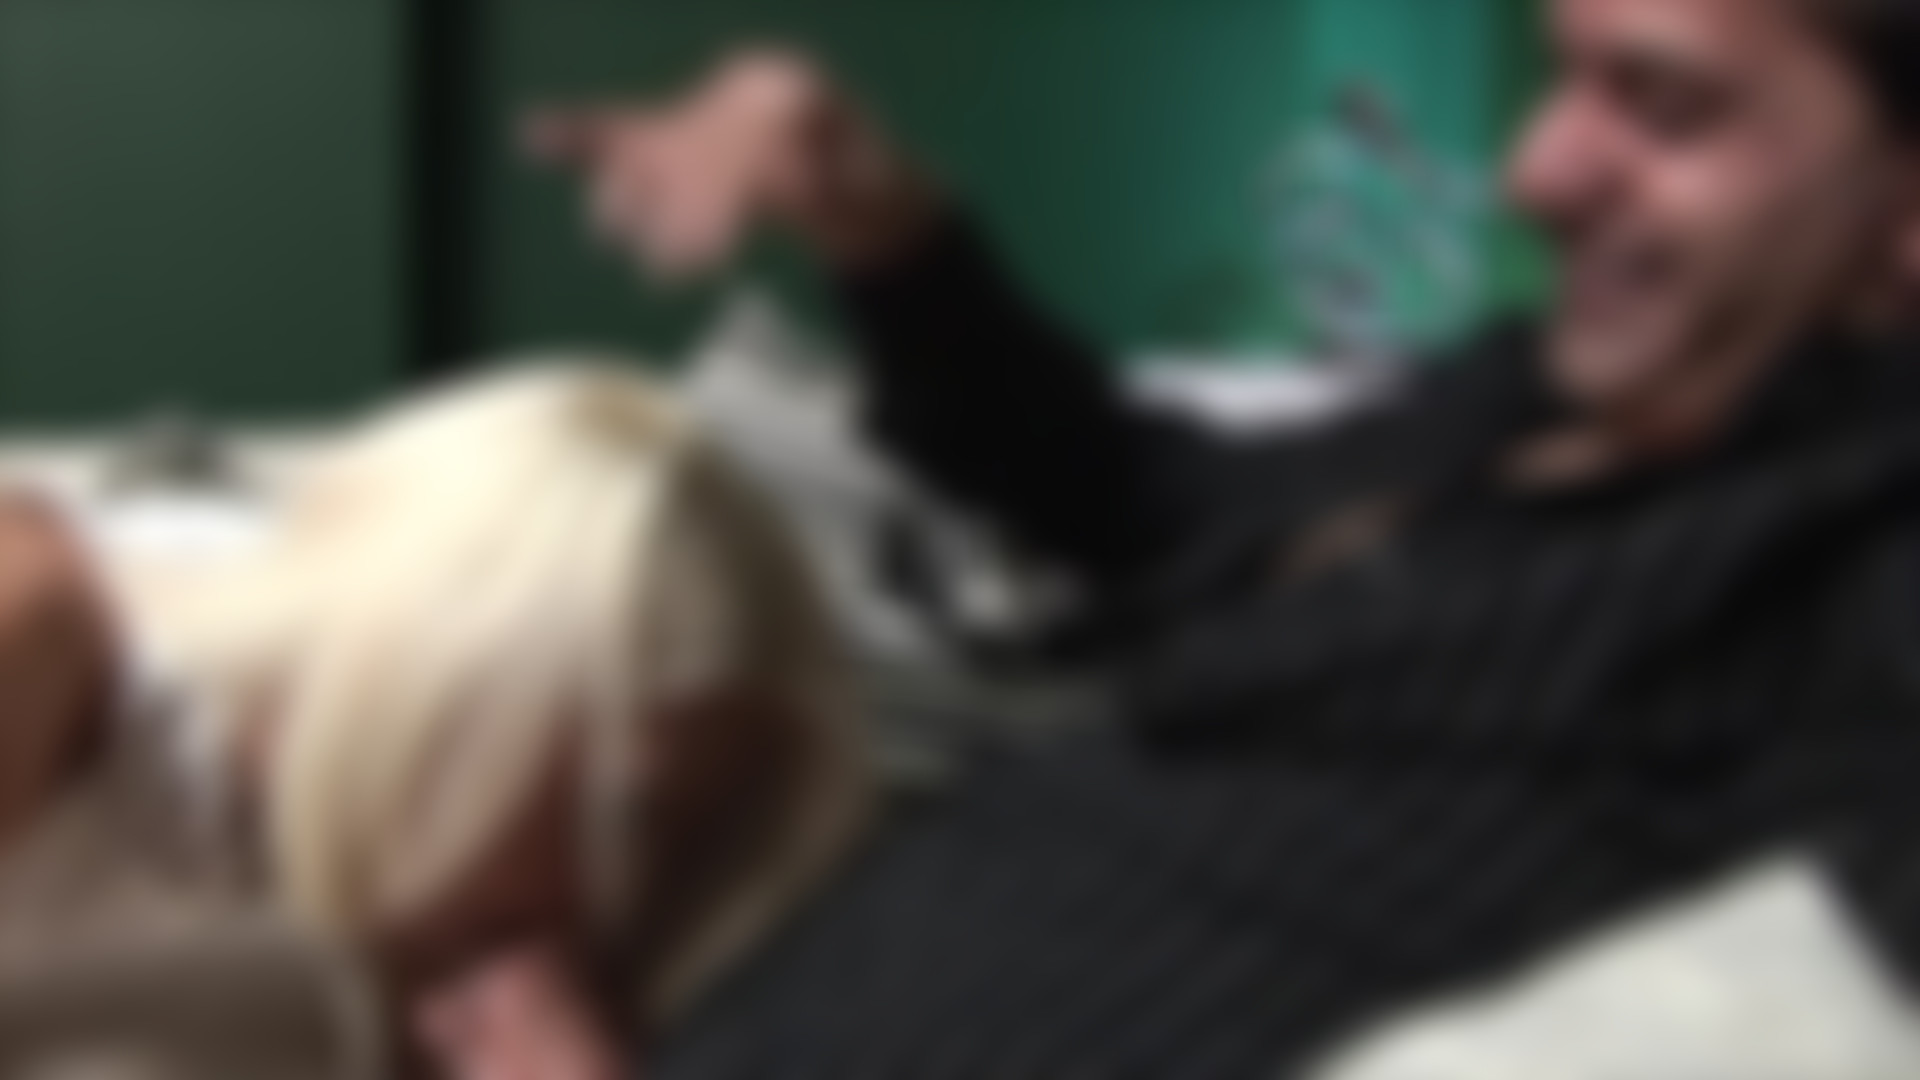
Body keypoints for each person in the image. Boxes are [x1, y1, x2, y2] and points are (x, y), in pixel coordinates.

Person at [519, 0, 1920, 1075]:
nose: (1535, 172)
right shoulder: (1526, 394)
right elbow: (1146, 502)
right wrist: (878, 218)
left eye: (1666, 109)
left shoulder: (1844, 566)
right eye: (1566, 76)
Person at [0, 362, 870, 1079]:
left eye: (685, 844)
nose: (616, 908)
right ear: (472, 672)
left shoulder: (405, 953)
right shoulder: (38, 633)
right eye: (626, 812)